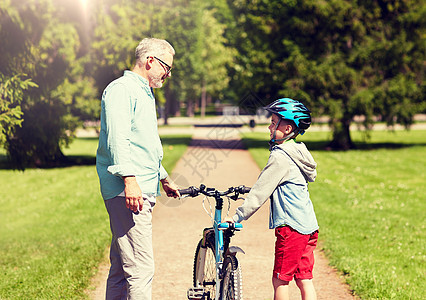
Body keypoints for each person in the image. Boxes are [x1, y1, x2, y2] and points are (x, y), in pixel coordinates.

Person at [96, 37, 180, 300]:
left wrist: (163, 177)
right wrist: (129, 179)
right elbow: (117, 139)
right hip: (128, 191)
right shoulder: (122, 90)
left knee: (122, 269)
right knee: (141, 269)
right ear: (150, 61)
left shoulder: (144, 92)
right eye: (167, 67)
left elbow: (144, 144)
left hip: (137, 185)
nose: (168, 74)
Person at [225, 98, 319, 300]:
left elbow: (260, 192)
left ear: (286, 128)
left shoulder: (280, 157)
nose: (269, 126)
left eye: (273, 122)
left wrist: (237, 216)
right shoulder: (298, 152)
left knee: (280, 280)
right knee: (304, 278)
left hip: (292, 227)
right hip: (309, 226)